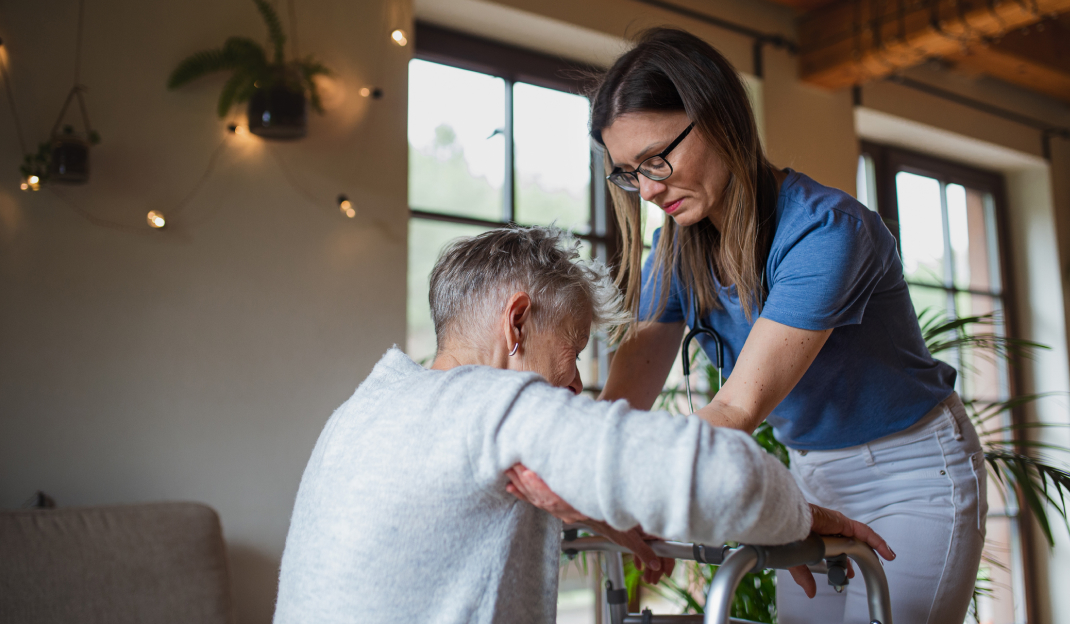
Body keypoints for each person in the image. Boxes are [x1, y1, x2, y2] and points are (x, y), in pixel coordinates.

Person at [513, 27, 985, 624]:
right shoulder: (675, 253)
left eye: (659, 157)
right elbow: (621, 409)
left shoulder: (825, 232)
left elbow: (736, 412)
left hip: (911, 472)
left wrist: (620, 486)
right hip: (810, 474)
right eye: (631, 172)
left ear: (721, 119)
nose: (651, 189)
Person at [272, 226, 892, 624]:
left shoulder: (367, 409)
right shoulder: (490, 402)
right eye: (569, 359)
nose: (574, 389)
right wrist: (801, 517)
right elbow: (729, 479)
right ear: (517, 324)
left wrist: (594, 506)